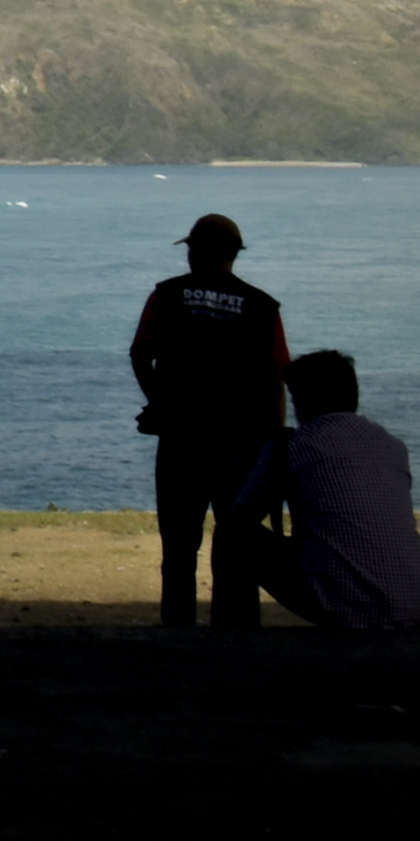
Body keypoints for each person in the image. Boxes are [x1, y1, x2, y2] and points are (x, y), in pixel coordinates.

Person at [127, 212, 290, 628]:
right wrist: (273, 447)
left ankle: (178, 632)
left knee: (179, 549)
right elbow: (277, 382)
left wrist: (161, 404)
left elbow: (141, 355)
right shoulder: (263, 307)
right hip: (242, 446)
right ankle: (236, 637)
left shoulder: (166, 295)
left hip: (181, 441)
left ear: (195, 251)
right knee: (237, 546)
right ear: (235, 254)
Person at [225, 351, 420, 630]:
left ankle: (236, 628)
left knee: (235, 534)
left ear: (303, 400)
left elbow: (244, 515)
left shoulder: (290, 446)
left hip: (341, 607)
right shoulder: (392, 445)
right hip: (417, 602)